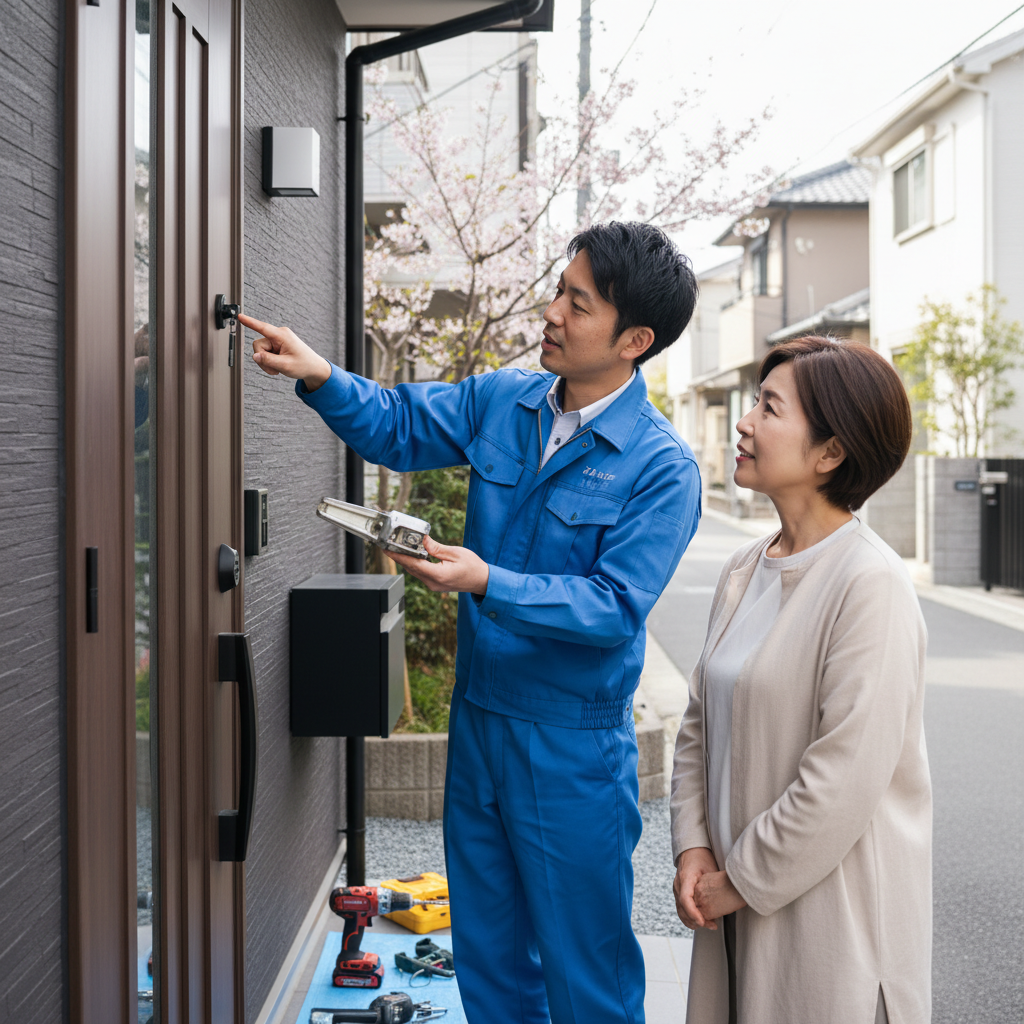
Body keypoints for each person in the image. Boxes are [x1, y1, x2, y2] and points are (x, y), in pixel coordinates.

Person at [239, 222, 702, 1024]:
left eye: (577, 304)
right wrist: (319, 375)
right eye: (558, 291)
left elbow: (613, 607)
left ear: (634, 340)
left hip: (571, 746)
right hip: (479, 717)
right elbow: (397, 424)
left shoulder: (661, 467)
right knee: (490, 957)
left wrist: (486, 579)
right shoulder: (505, 400)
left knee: (585, 970)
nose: (551, 313)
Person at [671, 335, 931, 1024]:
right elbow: (698, 724)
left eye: (769, 408)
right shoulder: (744, 568)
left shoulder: (869, 583)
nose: (744, 422)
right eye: (754, 402)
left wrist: (738, 880)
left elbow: (842, 778)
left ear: (830, 453)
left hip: (831, 921)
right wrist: (693, 847)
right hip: (730, 897)